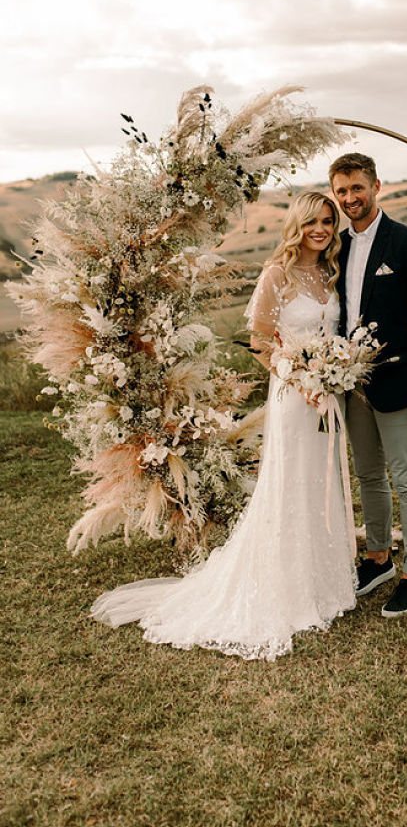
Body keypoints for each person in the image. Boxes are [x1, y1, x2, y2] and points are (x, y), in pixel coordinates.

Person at [90, 192, 357, 660]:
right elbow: (257, 341)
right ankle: (285, 587)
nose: (321, 229)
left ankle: (322, 582)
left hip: (325, 396)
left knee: (321, 481)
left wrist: (332, 372)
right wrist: (300, 378)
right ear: (297, 224)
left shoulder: (328, 274)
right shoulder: (277, 274)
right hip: (294, 397)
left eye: (327, 222)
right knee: (291, 483)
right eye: (313, 221)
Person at [329, 153, 407, 618]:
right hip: (350, 384)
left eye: (357, 188)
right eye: (342, 191)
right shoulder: (336, 246)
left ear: (377, 186)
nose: (350, 198)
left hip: (400, 379)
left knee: (406, 478)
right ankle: (377, 558)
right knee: (368, 476)